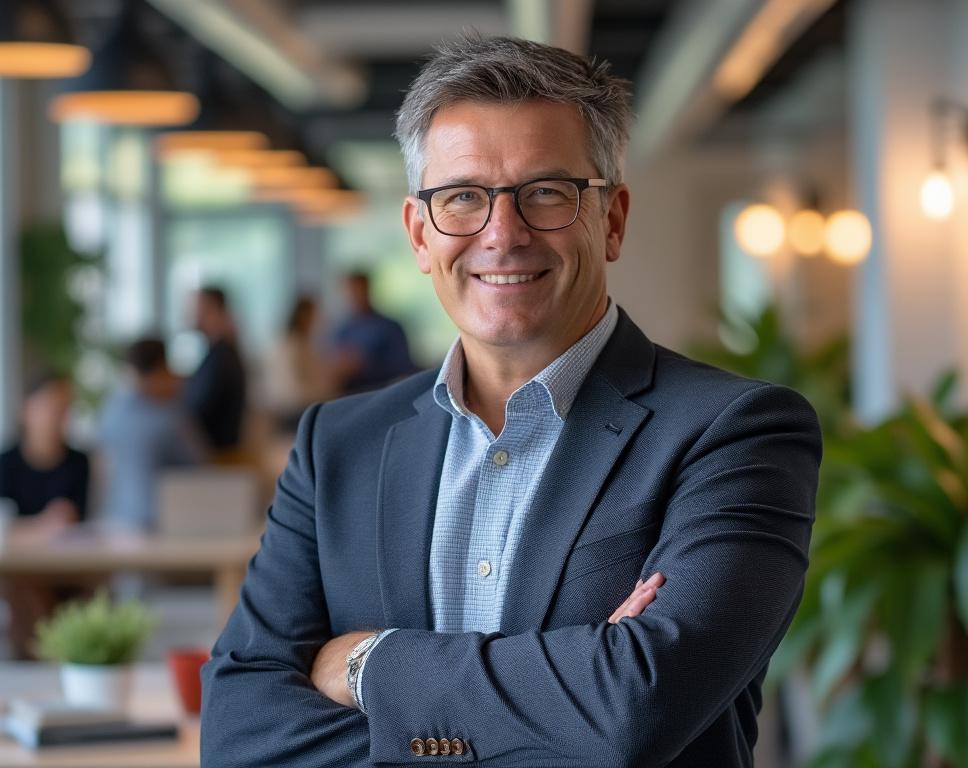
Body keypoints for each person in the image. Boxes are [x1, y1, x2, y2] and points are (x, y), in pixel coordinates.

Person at [202, 35, 821, 768]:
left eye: (547, 192)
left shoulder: (736, 432)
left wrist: (368, 663)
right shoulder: (337, 444)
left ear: (612, 220)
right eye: (462, 196)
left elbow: (635, 711)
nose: (503, 234)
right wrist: (567, 699)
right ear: (419, 234)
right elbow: (239, 732)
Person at [0, 371, 90, 658]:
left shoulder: (78, 463)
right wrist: (41, 525)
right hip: (21, 568)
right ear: (27, 410)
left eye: (65, 409)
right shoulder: (6, 463)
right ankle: (40, 657)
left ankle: (68, 657)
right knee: (26, 589)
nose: (58, 417)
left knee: (91, 588)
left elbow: (81, 521)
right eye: (51, 407)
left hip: (67, 563)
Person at [96, 338, 206, 532]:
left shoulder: (110, 412)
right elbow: (200, 463)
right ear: (161, 370)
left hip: (113, 521)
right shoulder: (168, 417)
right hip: (159, 526)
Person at [183, 286, 247, 451]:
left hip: (217, 457)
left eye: (196, 307)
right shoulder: (218, 352)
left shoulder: (222, 357)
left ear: (215, 309)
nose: (190, 314)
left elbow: (200, 411)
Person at [332, 271, 417, 393]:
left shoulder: (389, 327)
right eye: (350, 293)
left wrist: (365, 365)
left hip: (383, 391)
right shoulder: (342, 331)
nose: (354, 297)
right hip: (351, 394)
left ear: (367, 290)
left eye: (357, 291)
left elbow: (403, 367)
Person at [263, 295, 334, 432]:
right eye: (315, 315)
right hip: (297, 410)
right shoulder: (295, 346)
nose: (319, 321)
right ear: (303, 315)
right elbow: (295, 387)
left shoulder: (288, 342)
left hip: (286, 409)